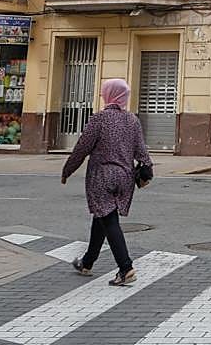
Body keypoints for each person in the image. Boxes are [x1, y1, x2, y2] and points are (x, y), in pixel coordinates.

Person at [61, 78, 152, 285]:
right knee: (102, 217)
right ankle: (87, 262)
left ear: (108, 94)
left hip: (102, 177)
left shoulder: (99, 119)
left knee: (109, 220)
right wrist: (147, 171)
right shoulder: (132, 120)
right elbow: (142, 152)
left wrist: (68, 170)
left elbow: (82, 148)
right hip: (125, 178)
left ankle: (126, 268)